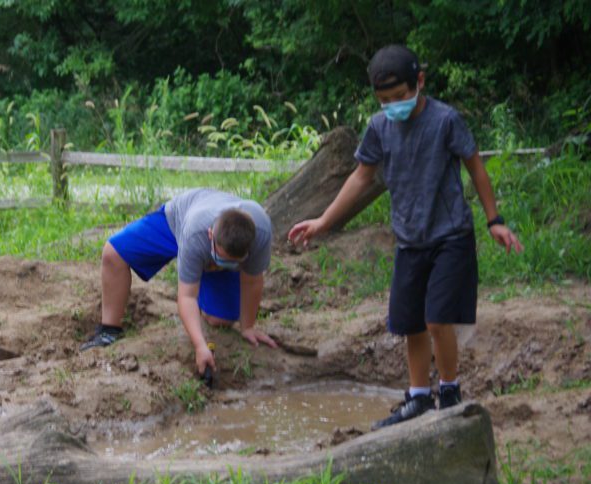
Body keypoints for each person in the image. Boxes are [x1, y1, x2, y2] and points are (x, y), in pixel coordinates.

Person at [289, 45, 524, 429]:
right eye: (384, 100)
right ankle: (417, 397)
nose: (393, 105)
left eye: (399, 97)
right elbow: (361, 177)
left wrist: (494, 219)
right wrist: (323, 221)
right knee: (410, 324)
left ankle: (449, 392)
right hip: (409, 241)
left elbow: (476, 167)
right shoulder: (380, 128)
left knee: (436, 320)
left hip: (450, 237)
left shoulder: (446, 121)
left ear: (419, 82)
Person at [81, 188, 277, 376]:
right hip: (178, 220)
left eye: (233, 262)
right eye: (222, 259)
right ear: (211, 236)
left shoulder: (261, 232)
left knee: (220, 320)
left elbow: (252, 281)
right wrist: (200, 346)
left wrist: (247, 327)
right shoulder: (196, 234)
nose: (224, 264)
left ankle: (209, 283)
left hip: (210, 244)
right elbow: (187, 296)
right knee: (113, 253)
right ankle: (109, 330)